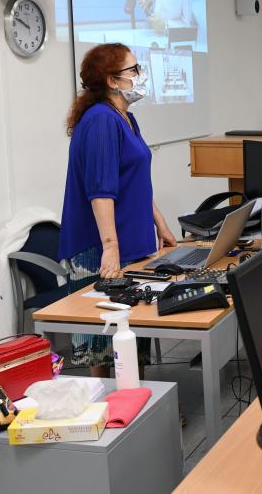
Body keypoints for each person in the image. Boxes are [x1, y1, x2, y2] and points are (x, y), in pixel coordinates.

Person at [59, 43, 177, 377]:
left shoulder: (126, 118)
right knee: (102, 344)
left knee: (131, 330)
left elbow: (134, 180)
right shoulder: (99, 121)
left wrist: (160, 223)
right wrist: (110, 247)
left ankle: (139, 404)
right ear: (112, 80)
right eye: (134, 70)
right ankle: (109, 413)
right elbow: (101, 190)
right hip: (102, 245)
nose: (140, 76)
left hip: (131, 240)